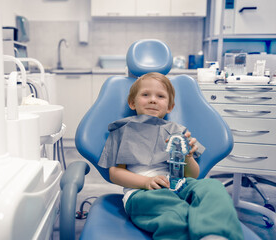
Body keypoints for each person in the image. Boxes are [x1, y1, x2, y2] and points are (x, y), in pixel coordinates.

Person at [98, 72, 243, 240]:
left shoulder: (178, 131)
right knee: (173, 211)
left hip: (180, 184)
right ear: (132, 102)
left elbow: (193, 176)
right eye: (145, 95)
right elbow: (115, 174)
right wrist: (146, 182)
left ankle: (215, 234)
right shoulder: (121, 131)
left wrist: (187, 156)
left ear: (169, 107)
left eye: (160, 96)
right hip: (142, 192)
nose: (153, 99)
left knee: (212, 187)